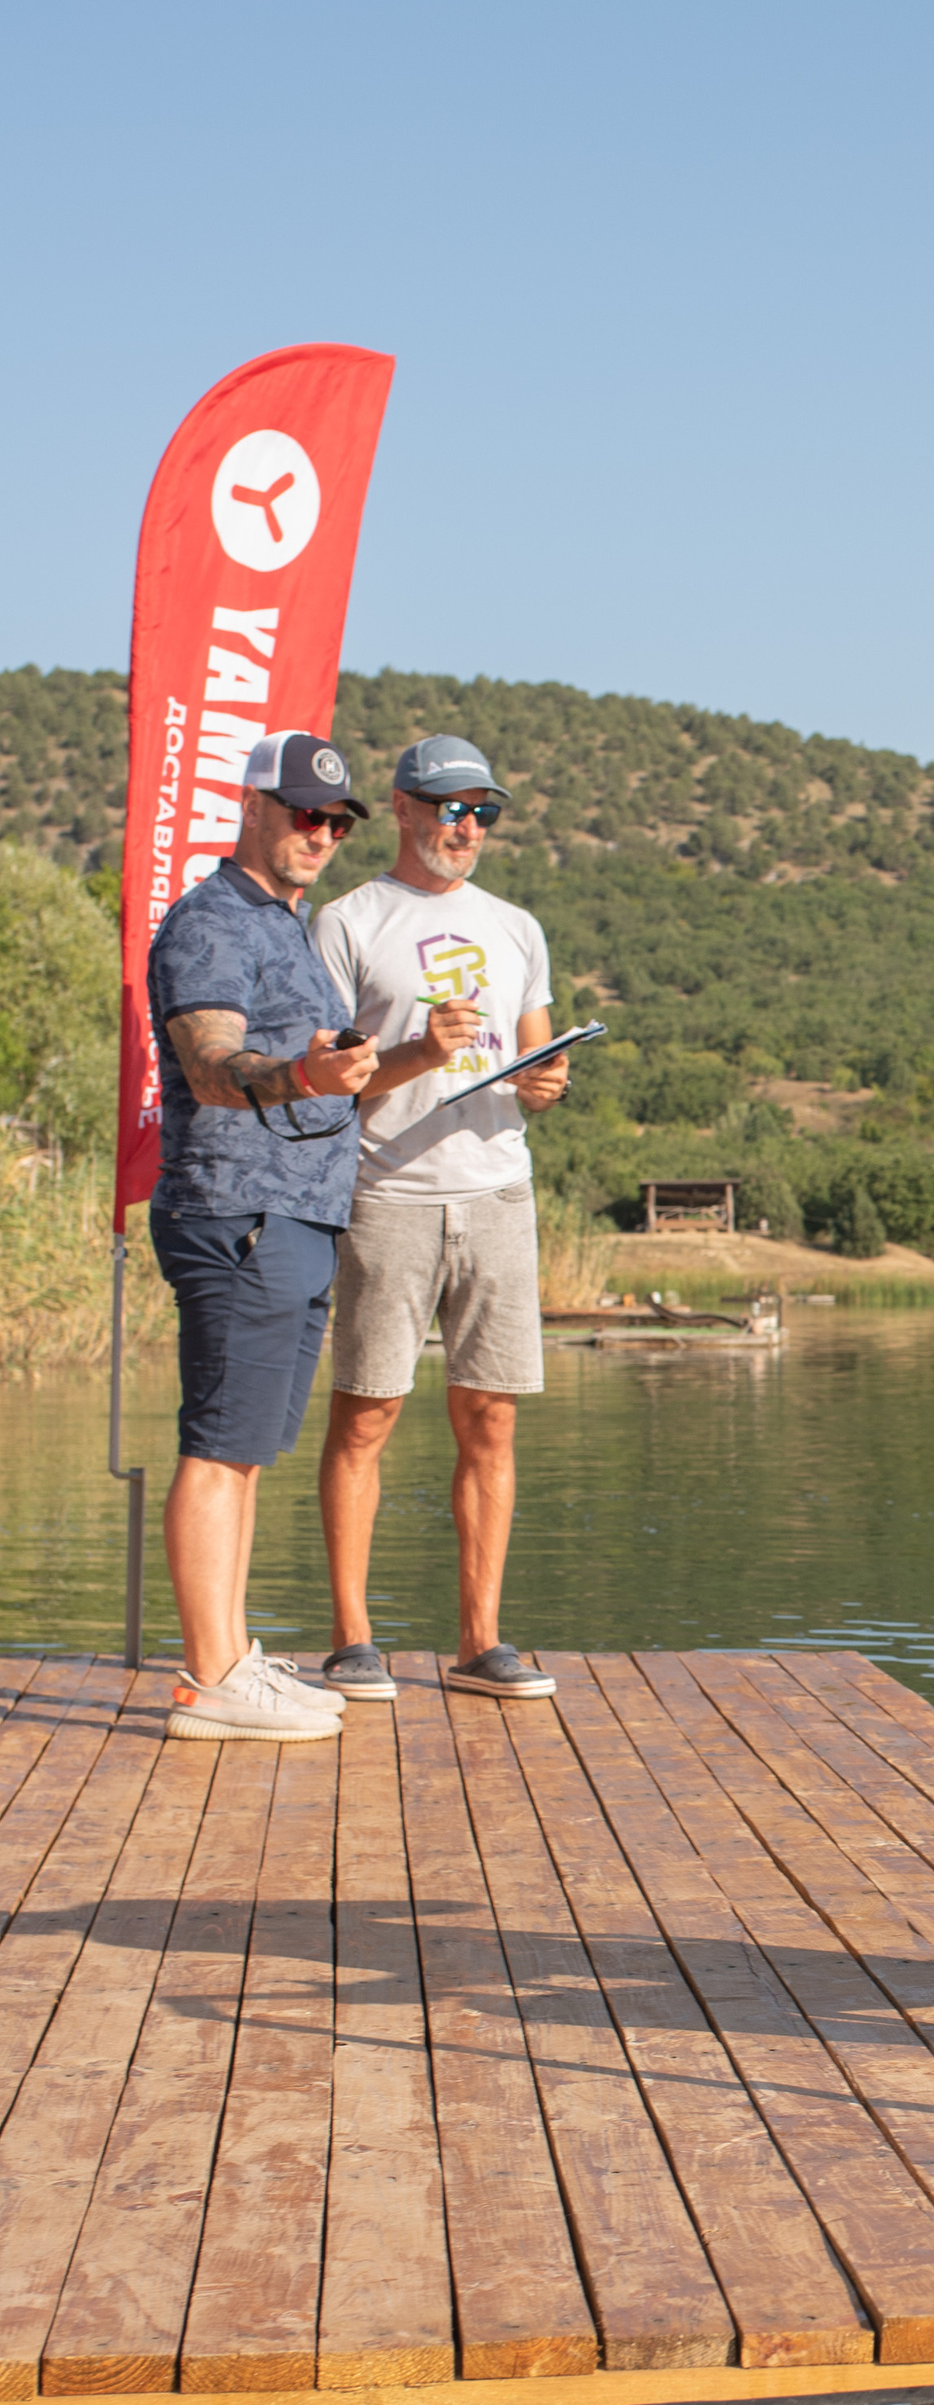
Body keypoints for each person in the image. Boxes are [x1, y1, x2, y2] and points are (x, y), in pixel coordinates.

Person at [313, 733, 573, 1698]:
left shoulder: (516, 926)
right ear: (405, 808)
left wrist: (548, 1081)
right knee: (367, 1416)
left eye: (483, 812)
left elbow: (538, 1058)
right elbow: (327, 1081)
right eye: (452, 808)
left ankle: (480, 1644)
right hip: (386, 1192)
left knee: (491, 1420)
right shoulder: (348, 921)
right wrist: (419, 1053)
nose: (468, 827)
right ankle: (351, 1640)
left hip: (499, 1191)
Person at [146, 730, 381, 1743]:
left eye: (335, 821)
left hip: (297, 1213)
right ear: (251, 805)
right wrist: (299, 1075)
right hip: (236, 1209)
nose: (320, 833)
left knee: (246, 1450)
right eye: (304, 812)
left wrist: (400, 1058)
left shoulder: (289, 926)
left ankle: (232, 1656)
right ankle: (206, 1679)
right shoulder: (210, 922)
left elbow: (318, 1072)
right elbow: (209, 1065)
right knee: (217, 1443)